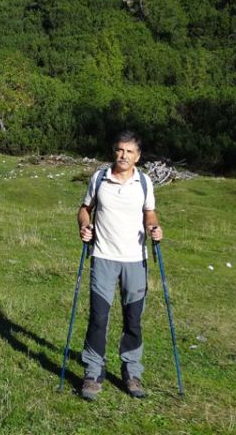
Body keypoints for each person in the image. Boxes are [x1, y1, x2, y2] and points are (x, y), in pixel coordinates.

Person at [76, 129, 162, 400]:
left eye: (129, 152)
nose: (123, 156)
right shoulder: (99, 178)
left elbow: (149, 212)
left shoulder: (144, 182)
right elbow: (84, 209)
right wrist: (85, 226)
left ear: (138, 156)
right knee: (98, 318)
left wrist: (153, 227)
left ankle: (132, 372)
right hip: (103, 256)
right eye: (119, 150)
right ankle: (93, 372)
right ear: (114, 151)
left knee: (133, 320)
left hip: (135, 260)